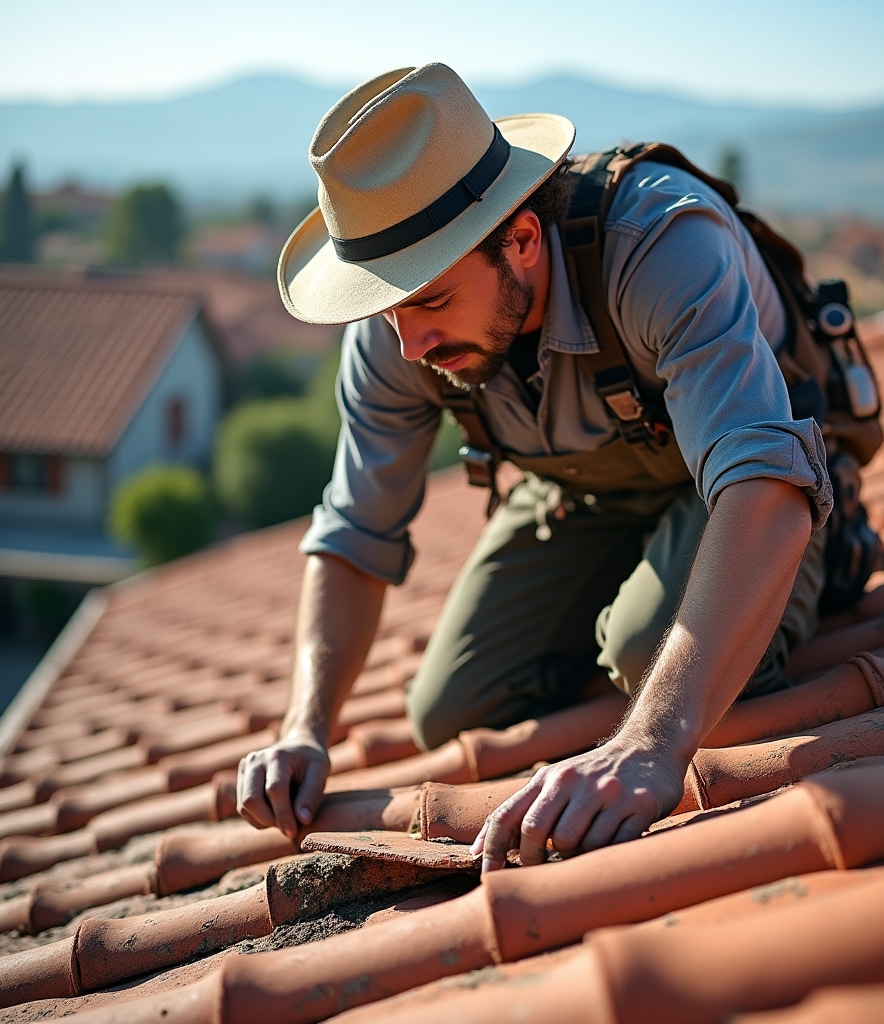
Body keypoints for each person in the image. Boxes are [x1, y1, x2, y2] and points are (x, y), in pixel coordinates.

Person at [236, 63, 833, 872]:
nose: (409, 346)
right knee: (452, 708)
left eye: (431, 301)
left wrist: (651, 743)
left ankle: (809, 568)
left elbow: (764, 479)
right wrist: (303, 726)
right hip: (585, 495)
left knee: (644, 652)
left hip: (745, 488)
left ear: (520, 239)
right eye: (388, 308)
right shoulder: (395, 329)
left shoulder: (660, 244)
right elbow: (354, 531)